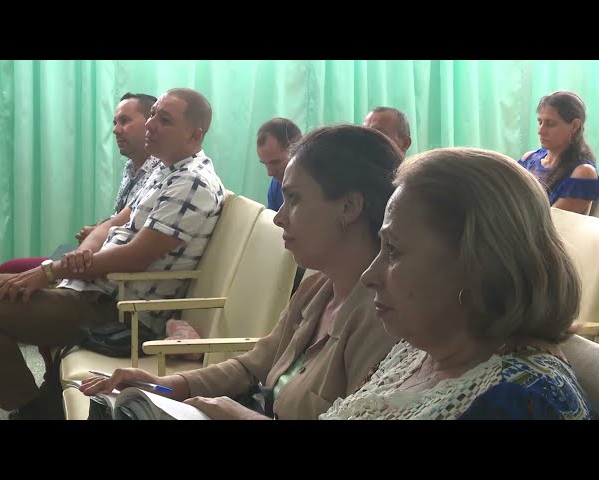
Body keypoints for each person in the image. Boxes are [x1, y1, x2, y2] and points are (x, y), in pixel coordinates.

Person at [80, 124, 402, 420]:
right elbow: (251, 366)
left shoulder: (383, 319)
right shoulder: (319, 287)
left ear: (349, 208)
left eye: (294, 199)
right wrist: (166, 385)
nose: (280, 218)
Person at [0, 87, 224, 419]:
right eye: (153, 114)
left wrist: (53, 271)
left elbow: (135, 258)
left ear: (194, 134)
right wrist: (75, 259)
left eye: (163, 119)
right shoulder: (162, 171)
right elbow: (111, 223)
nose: (152, 124)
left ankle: (32, 407)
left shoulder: (193, 182)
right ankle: (34, 404)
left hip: (116, 310)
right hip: (90, 288)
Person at [320, 147, 597, 420]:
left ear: (478, 264)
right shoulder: (418, 352)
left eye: (393, 250)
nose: (369, 275)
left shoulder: (520, 401)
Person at [0, 92, 161, 274]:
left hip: (111, 264)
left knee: (10, 271)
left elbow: (132, 226)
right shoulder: (131, 167)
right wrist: (97, 228)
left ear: (149, 124)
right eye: (115, 123)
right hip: (101, 250)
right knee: (10, 270)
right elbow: (123, 217)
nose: (116, 130)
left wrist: (96, 237)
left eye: (125, 121)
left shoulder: (161, 172)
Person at [518, 90, 599, 215]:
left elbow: (549, 224)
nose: (540, 131)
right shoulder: (529, 158)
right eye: (540, 122)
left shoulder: (583, 172)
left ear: (574, 126)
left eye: (550, 124)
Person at [256, 117, 302, 211]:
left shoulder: (318, 189)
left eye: (275, 162)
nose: (270, 173)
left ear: (298, 151)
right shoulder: (276, 186)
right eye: (265, 164)